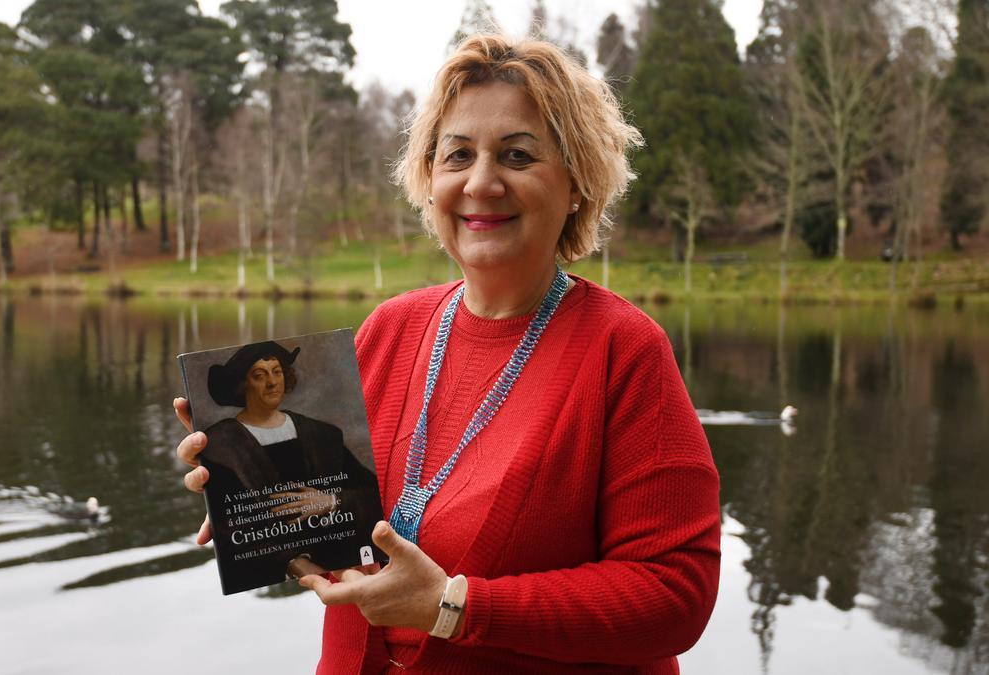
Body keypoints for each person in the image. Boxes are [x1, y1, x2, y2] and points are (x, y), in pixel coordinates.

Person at [174, 34, 720, 673]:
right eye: (457, 155)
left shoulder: (623, 351)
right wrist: (253, 502)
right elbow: (344, 539)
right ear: (430, 179)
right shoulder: (389, 331)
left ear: (577, 181)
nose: (481, 183)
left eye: (517, 155)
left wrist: (453, 606)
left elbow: (675, 596)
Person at [198, 341, 380, 590]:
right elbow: (230, 527)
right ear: (242, 385)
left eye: (277, 372)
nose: (272, 382)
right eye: (259, 375)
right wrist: (292, 561)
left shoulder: (322, 435)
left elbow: (371, 495)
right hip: (274, 572)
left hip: (349, 564)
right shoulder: (219, 445)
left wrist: (332, 501)